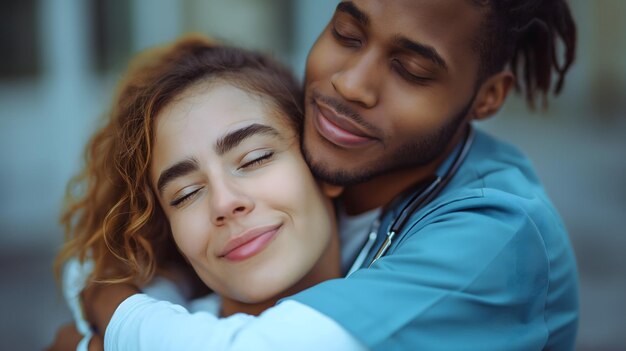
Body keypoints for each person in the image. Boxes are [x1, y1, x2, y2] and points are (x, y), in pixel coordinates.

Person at [60, 0, 581, 350]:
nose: (351, 84)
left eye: (412, 70)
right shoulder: (331, 152)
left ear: (487, 97)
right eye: (347, 34)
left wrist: (111, 308)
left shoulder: (496, 232)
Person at [48, 36, 354, 350]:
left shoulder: (399, 291)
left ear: (324, 166)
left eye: (255, 158)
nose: (224, 202)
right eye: (186, 194)